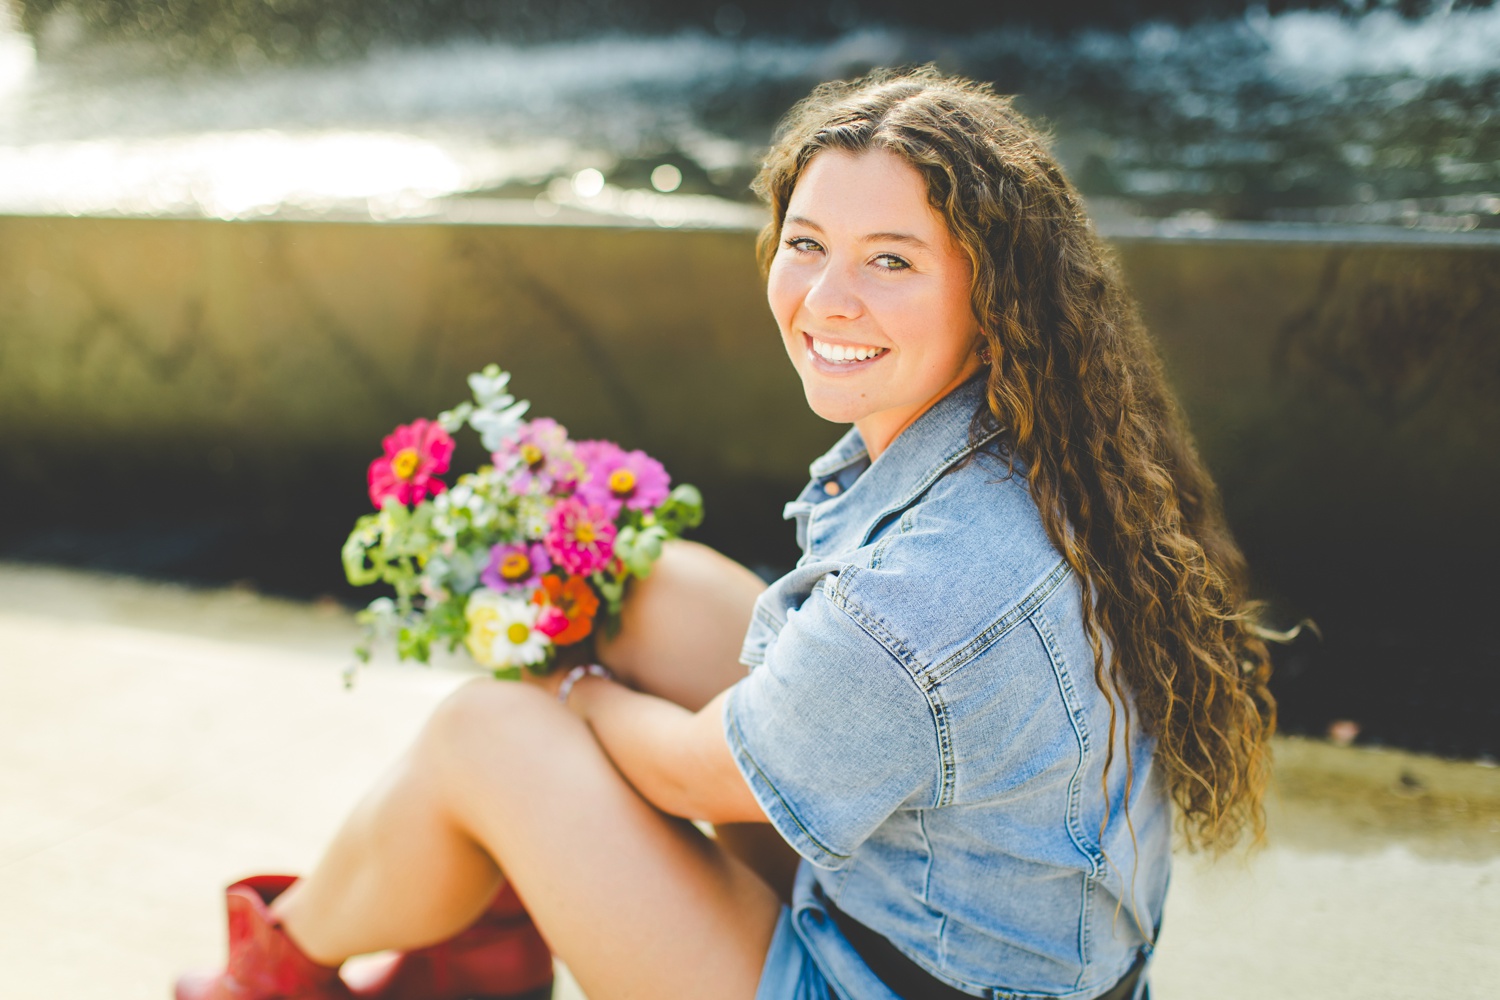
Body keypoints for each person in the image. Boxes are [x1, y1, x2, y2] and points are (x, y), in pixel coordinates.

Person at [176, 68, 1275, 1000]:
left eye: (891, 260)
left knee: (489, 734)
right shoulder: (1038, 436)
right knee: (653, 588)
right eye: (807, 244)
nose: (828, 298)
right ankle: (470, 920)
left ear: (994, 292)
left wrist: (571, 688)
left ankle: (273, 973)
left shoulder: (933, 589)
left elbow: (702, 776)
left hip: (897, 979)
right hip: (955, 919)